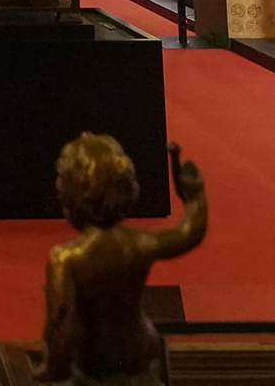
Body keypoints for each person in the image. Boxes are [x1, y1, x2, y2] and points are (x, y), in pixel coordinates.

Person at [37, 134, 207, 385]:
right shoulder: (138, 243)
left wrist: (54, 368)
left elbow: (61, 324)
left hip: (93, 359)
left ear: (72, 199)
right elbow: (188, 234)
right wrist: (195, 197)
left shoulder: (66, 258)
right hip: (139, 347)